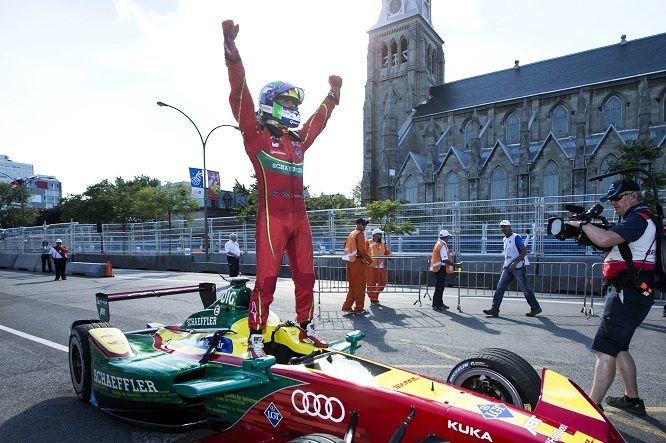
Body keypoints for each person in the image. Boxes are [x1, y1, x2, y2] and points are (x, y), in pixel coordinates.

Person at [223, 19, 341, 358]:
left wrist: (332, 96)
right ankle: (256, 338)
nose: (293, 110)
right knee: (268, 280)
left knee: (307, 277)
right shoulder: (256, 136)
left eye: (294, 105)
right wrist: (231, 49)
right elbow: (239, 94)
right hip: (272, 218)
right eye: (287, 104)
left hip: (300, 219)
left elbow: (317, 122)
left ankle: (304, 329)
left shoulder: (298, 141)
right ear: (271, 104)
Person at [566, 178, 657, 415]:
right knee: (619, 348)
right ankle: (632, 400)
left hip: (628, 292)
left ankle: (591, 407)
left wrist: (583, 224)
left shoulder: (638, 219)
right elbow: (610, 243)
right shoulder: (635, 220)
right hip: (632, 291)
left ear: (633, 196)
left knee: (605, 350)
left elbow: (605, 239)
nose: (613, 204)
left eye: (617, 198)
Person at [483, 220, 541, 317]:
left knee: (525, 288)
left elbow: (524, 252)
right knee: (500, 287)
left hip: (518, 267)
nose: (503, 229)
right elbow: (507, 254)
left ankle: (535, 308)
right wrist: (504, 265)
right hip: (508, 267)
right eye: (502, 227)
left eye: (505, 226)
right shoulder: (504, 239)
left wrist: (515, 263)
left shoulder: (516, 237)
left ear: (509, 227)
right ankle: (494, 309)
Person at [342, 218, 373, 315]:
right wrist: (369, 260)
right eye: (363, 224)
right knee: (360, 287)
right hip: (357, 262)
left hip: (350, 262)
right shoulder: (359, 234)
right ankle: (359, 309)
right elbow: (362, 250)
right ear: (359, 224)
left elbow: (344, 245)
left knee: (352, 286)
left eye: (365, 225)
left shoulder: (352, 233)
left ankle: (347, 307)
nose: (365, 226)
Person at [430, 230, 461, 311]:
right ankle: (436, 304)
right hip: (440, 268)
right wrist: (455, 265)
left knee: (440, 287)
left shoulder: (438, 243)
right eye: (448, 236)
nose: (448, 238)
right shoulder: (442, 245)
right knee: (439, 287)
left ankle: (439, 303)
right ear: (445, 237)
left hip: (438, 267)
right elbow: (444, 259)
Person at [366, 228, 391, 305]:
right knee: (371, 284)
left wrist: (389, 256)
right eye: (379, 234)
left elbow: (387, 251)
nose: (380, 235)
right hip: (371, 266)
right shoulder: (368, 242)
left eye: (381, 234)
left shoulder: (382, 244)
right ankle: (373, 299)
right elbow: (363, 252)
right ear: (374, 235)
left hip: (381, 266)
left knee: (383, 283)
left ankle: (375, 294)